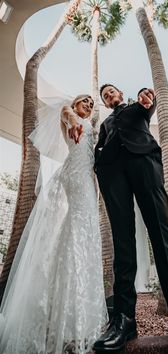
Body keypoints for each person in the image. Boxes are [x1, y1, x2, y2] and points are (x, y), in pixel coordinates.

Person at [92, 84, 168, 351]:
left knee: (161, 236)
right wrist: (99, 164)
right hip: (113, 174)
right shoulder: (106, 123)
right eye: (105, 96)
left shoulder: (138, 107)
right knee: (122, 244)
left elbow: (150, 101)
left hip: (144, 163)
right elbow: (99, 146)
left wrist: (148, 95)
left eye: (112, 92)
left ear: (121, 94)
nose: (109, 96)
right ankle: (124, 320)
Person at [0, 95, 107, 354]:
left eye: (91, 105)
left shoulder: (88, 124)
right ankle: (68, 316)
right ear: (76, 102)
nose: (88, 106)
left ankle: (75, 308)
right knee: (79, 229)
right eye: (85, 101)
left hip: (85, 177)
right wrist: (73, 118)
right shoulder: (69, 114)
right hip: (76, 175)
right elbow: (65, 111)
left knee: (83, 232)